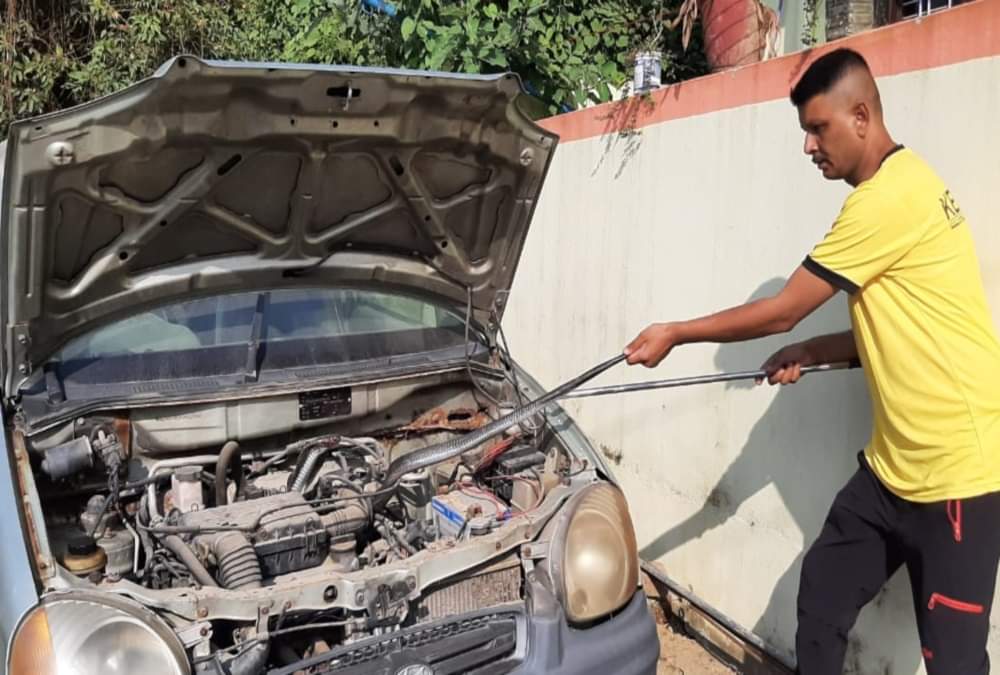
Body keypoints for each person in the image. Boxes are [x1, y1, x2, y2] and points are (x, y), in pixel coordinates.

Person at [624, 47, 1000, 675]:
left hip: (957, 476)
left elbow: (781, 310)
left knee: (955, 664)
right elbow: (905, 329)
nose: (808, 147)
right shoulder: (906, 186)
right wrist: (811, 351)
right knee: (821, 598)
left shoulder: (886, 200)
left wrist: (675, 332)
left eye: (817, 128)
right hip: (891, 472)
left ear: (861, 116)